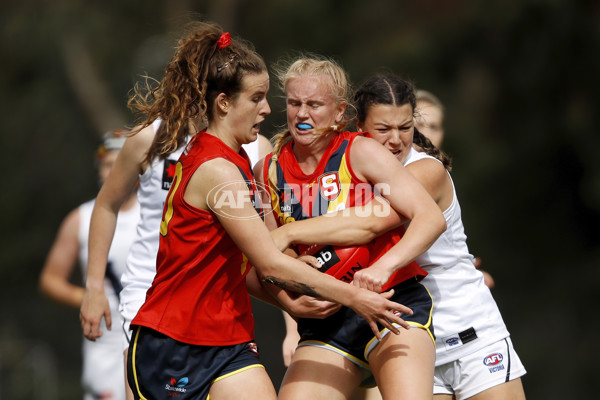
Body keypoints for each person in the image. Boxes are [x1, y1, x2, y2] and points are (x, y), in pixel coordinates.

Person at [107, 23, 412, 400]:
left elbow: (247, 268)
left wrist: (290, 298)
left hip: (229, 338)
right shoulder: (217, 170)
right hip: (174, 342)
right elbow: (269, 263)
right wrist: (355, 297)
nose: (267, 109)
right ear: (223, 104)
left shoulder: (234, 157)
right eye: (256, 98)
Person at [255, 55, 447, 400]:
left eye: (314, 104)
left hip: (391, 302)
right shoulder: (267, 171)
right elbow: (268, 255)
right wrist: (290, 294)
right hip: (327, 318)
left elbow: (430, 218)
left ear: (339, 112)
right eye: (295, 103)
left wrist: (382, 267)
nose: (302, 114)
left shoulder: (361, 151)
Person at [350, 73, 526, 399]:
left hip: (471, 333)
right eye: (383, 129)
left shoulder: (426, 170)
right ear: (359, 126)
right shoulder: (351, 176)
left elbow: (366, 222)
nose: (396, 139)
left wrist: (287, 234)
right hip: (412, 343)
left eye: (404, 128)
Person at [40, 130, 138, 400]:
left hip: (153, 336)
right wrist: (87, 296)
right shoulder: (80, 219)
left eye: (121, 163)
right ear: (98, 170)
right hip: (104, 344)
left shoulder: (159, 214)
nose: (113, 171)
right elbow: (51, 278)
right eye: (107, 164)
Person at [415, 89, 495, 289]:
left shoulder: (435, 173)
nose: (425, 133)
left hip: (449, 303)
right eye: (417, 124)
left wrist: (461, 269)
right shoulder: (380, 175)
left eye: (434, 126)